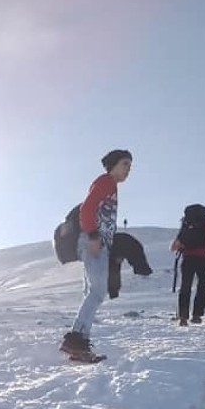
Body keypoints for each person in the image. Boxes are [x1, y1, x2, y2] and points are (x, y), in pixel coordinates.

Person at [60, 149, 132, 361]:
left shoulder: (112, 187)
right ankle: (75, 341)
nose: (129, 169)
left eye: (130, 165)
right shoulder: (105, 181)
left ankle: (79, 346)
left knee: (91, 293)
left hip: (99, 243)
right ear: (113, 165)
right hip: (94, 241)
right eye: (125, 164)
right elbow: (87, 208)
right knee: (97, 292)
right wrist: (92, 235)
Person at [171, 204, 205, 326]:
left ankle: (183, 316)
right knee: (202, 285)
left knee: (185, 286)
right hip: (203, 258)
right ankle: (197, 315)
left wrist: (182, 247)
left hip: (188, 258)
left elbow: (174, 246)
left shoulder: (186, 224)